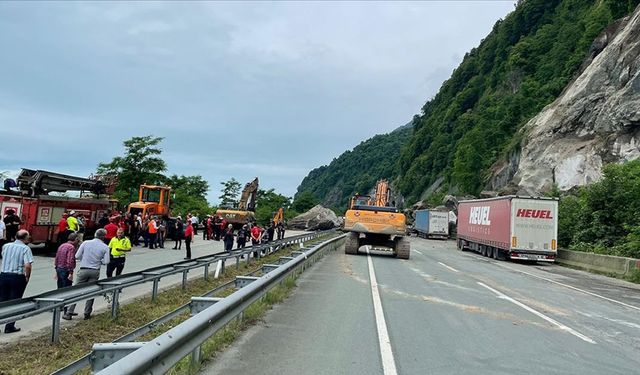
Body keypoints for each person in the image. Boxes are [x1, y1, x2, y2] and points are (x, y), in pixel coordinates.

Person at [63, 229, 110, 320]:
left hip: (84, 269)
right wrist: (100, 261)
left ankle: (69, 312)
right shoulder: (105, 247)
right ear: (104, 237)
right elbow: (106, 261)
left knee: (76, 291)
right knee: (91, 292)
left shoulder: (85, 243)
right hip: (95, 271)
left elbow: (77, 256)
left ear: (95, 234)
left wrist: (84, 258)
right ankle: (87, 313)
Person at [0, 230, 33, 333]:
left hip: (4, 275)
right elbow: (27, 265)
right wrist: (27, 276)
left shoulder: (6, 246)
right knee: (15, 301)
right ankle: (9, 326)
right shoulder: (25, 248)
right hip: (17, 277)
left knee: (2, 301)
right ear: (25, 238)